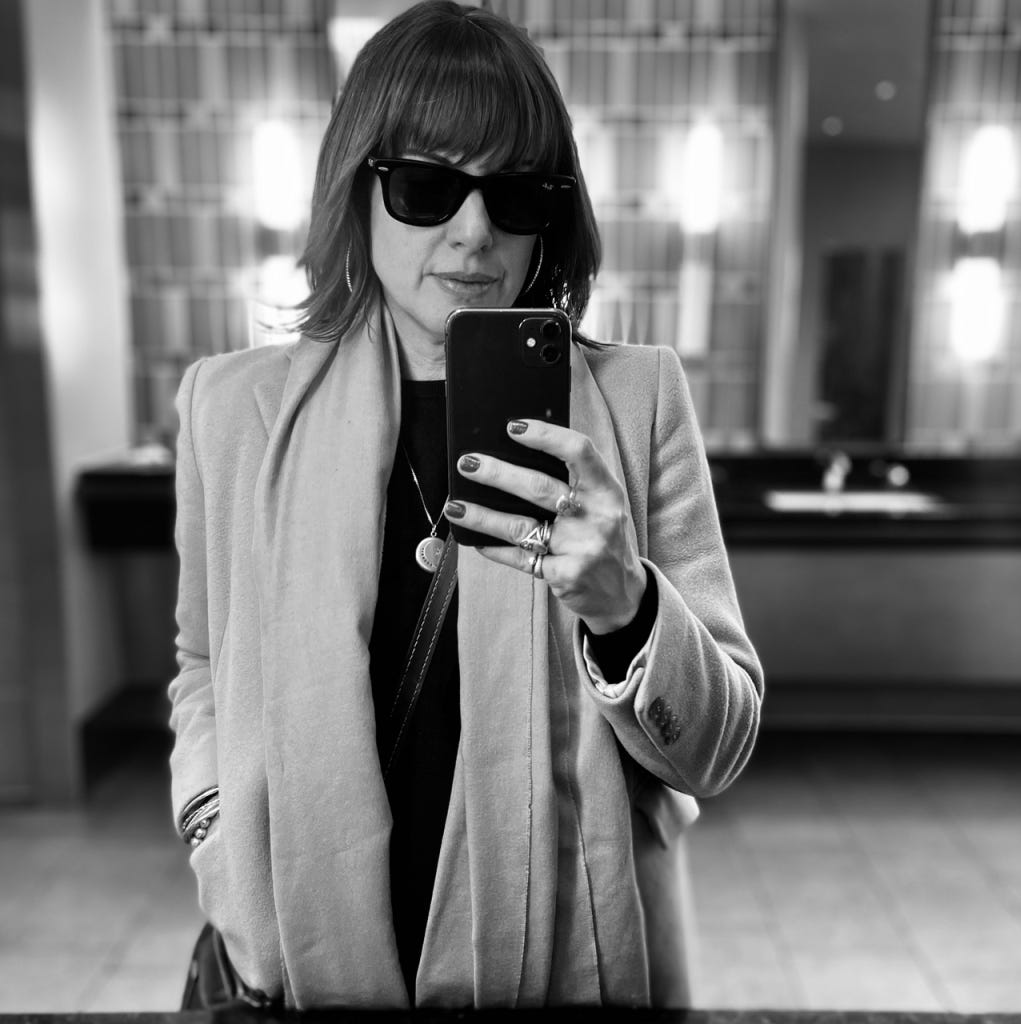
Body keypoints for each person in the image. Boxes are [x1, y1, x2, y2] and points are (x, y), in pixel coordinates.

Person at [168, 0, 763, 1010]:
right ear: (357, 188)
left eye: (516, 193)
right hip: (295, 961)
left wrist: (627, 608)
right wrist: (214, 825)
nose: (475, 230)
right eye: (427, 186)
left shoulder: (635, 404)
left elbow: (718, 747)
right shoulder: (231, 411)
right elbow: (202, 662)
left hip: (553, 971)